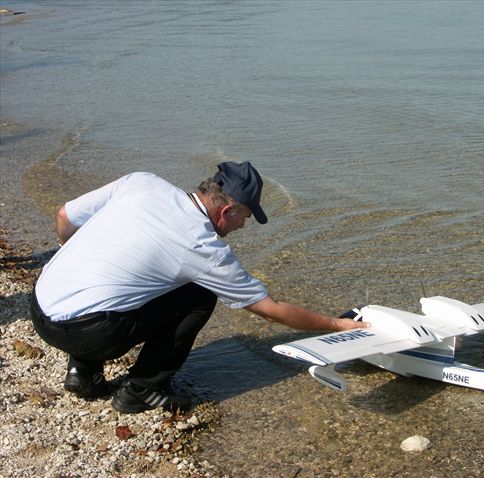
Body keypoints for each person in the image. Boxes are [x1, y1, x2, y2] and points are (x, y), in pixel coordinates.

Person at [30, 162, 364, 414]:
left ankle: (83, 371)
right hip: (85, 332)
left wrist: (72, 261)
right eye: (245, 217)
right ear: (228, 210)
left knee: (113, 279)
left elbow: (64, 215)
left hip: (39, 306)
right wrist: (338, 325)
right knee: (199, 294)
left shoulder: (142, 183)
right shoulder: (203, 247)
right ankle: (142, 389)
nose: (244, 225)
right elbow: (270, 310)